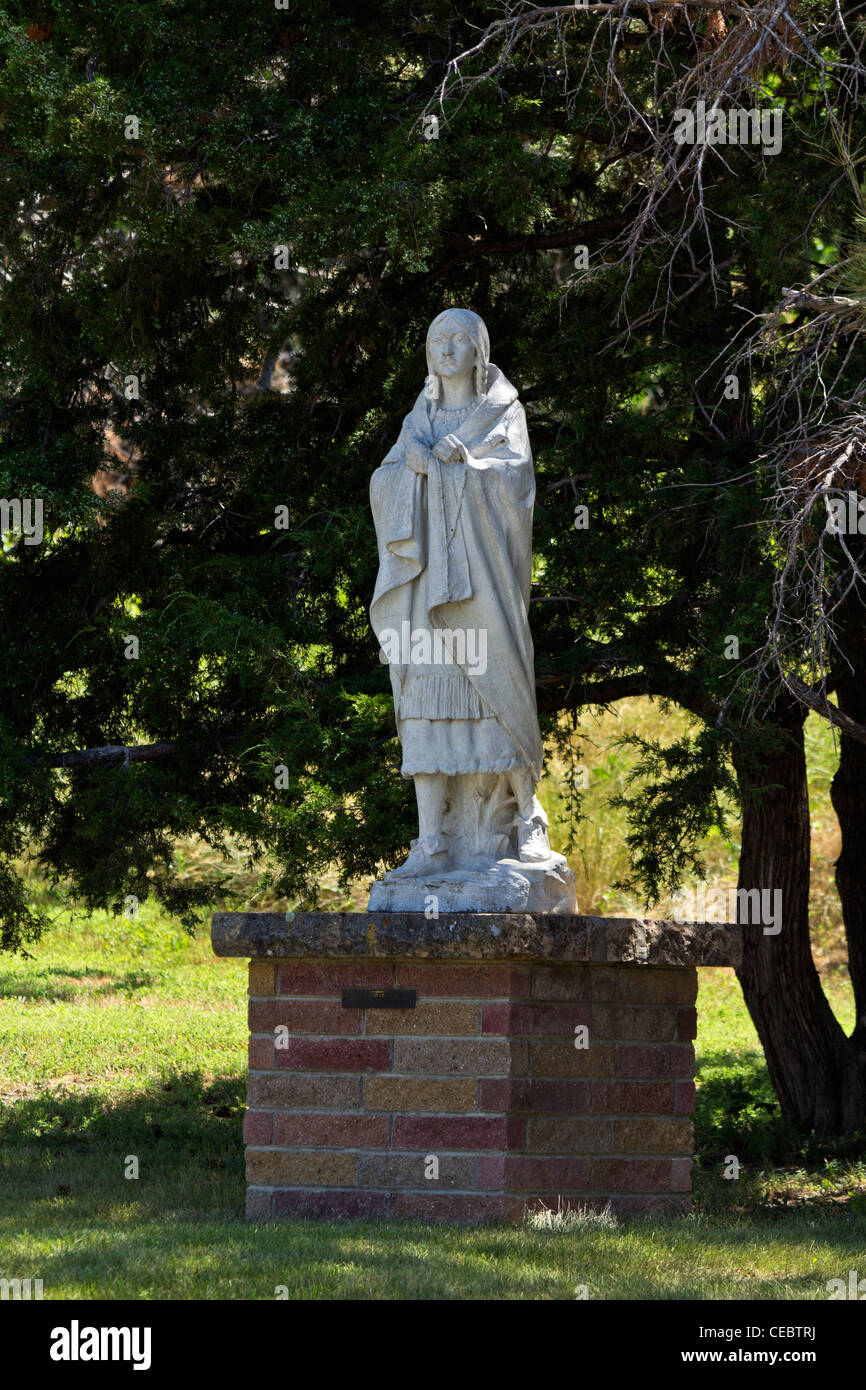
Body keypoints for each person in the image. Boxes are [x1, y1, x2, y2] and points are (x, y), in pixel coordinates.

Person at [370, 308, 551, 877]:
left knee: (502, 689)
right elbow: (382, 482)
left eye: (458, 339)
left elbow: (516, 484)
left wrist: (466, 465)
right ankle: (432, 843)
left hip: (481, 584)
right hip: (427, 591)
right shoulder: (416, 419)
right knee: (427, 703)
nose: (446, 349)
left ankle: (527, 822)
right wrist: (414, 471)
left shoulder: (502, 412)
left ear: (479, 351)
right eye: (436, 340)